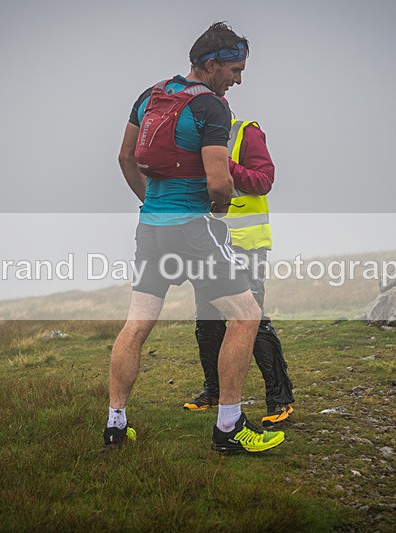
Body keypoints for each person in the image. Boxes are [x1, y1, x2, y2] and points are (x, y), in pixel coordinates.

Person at [104, 22, 285, 454]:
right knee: (247, 316)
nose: (238, 80)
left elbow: (125, 158)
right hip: (193, 230)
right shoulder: (212, 108)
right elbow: (220, 183)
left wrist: (151, 203)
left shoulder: (150, 96)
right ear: (211, 64)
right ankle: (228, 427)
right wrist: (215, 213)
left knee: (136, 325)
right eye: (234, 70)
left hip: (150, 229)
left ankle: (115, 424)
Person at [183, 117, 295, 427]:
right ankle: (214, 392)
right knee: (207, 320)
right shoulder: (193, 138)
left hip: (247, 245)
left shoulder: (245, 132)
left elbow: (263, 181)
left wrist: (223, 165)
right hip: (206, 244)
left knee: (252, 319)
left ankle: (280, 398)